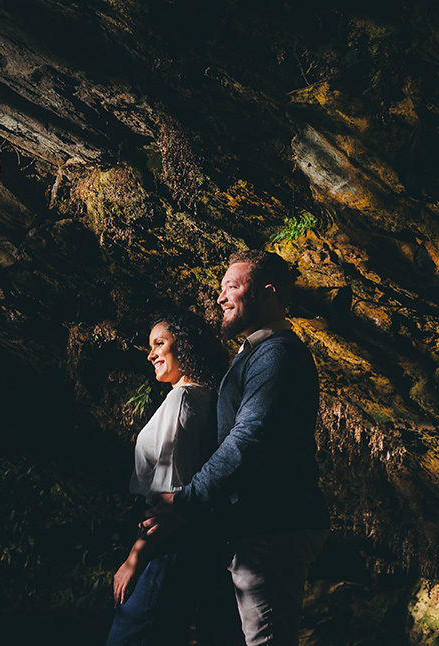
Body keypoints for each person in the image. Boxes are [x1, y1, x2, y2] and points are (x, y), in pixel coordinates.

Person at [142, 250, 330, 645]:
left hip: (273, 527)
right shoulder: (254, 353)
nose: (220, 297)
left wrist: (186, 501)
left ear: (267, 293)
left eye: (232, 286)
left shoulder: (277, 353)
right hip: (253, 528)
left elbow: (248, 438)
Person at [106, 310, 226, 646]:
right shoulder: (205, 398)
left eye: (160, 343)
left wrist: (134, 558)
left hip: (166, 544)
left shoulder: (183, 399)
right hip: (188, 544)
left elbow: (170, 499)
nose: (151, 354)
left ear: (183, 348)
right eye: (150, 346)